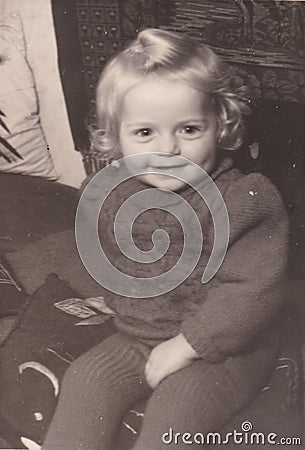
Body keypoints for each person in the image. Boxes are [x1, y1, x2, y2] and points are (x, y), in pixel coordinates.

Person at [42, 28, 289, 450]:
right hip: (140, 335)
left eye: (190, 129)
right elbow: (106, 247)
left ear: (222, 126)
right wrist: (120, 293)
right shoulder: (116, 192)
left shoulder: (242, 199)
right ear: (114, 136)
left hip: (225, 348)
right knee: (85, 379)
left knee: (177, 408)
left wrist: (190, 344)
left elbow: (253, 290)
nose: (168, 148)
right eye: (144, 134)